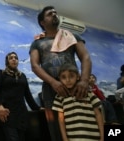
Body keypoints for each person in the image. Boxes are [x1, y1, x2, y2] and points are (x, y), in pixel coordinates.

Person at [29, 6, 92, 141]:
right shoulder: (37, 43)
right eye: (50, 14)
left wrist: (84, 80)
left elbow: (85, 57)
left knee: (82, 123)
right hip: (50, 89)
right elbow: (35, 66)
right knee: (56, 129)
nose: (54, 14)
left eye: (55, 13)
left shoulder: (72, 36)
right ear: (42, 22)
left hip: (76, 87)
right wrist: (53, 82)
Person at [0, 52, 40, 141]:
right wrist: (0, 106)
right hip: (7, 113)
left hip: (21, 114)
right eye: (11, 58)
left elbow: (27, 95)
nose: (14, 59)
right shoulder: (1, 73)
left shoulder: (22, 76)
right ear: (7, 61)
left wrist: (38, 108)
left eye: (16, 58)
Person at [52, 63, 104, 141]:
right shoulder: (60, 97)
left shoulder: (88, 93)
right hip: (73, 138)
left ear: (78, 76)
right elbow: (61, 120)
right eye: (63, 77)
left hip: (93, 137)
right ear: (59, 79)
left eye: (71, 76)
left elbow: (98, 115)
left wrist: (102, 136)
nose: (68, 80)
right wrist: (65, 138)